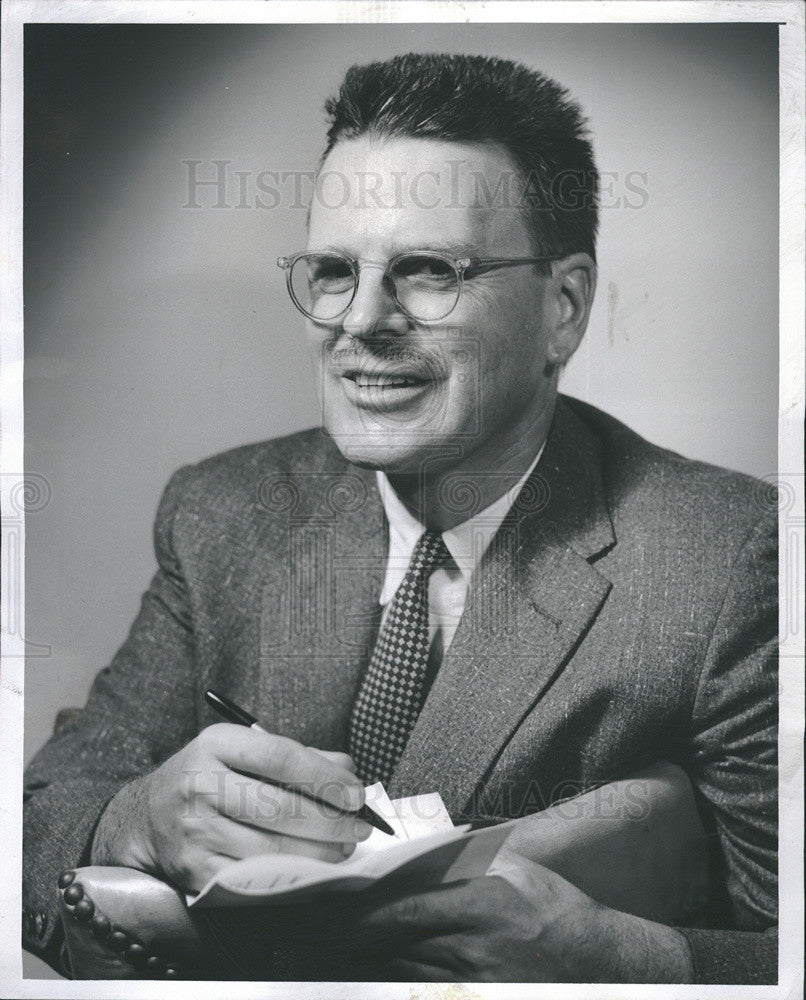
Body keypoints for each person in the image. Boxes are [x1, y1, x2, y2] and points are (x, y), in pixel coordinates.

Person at [23, 53, 777, 983]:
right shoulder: (222, 513)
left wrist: (627, 961)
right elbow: (40, 811)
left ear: (565, 308)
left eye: (427, 271)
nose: (362, 321)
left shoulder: (733, 558)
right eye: (334, 271)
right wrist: (130, 817)